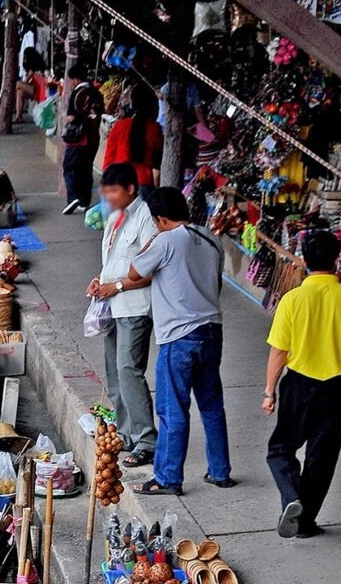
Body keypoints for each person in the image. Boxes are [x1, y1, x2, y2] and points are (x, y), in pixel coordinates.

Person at [263, 229, 341, 539]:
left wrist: (269, 391)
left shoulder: (293, 300)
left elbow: (279, 351)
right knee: (321, 458)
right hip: (334, 388)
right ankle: (305, 524)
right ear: (337, 260)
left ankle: (291, 497)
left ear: (304, 261)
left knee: (280, 449)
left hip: (298, 386)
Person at [127, 187, 232, 497]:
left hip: (179, 336)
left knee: (172, 410)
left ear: (160, 218)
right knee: (212, 405)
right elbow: (214, 283)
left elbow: (134, 273)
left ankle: (168, 478)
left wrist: (150, 242)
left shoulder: (165, 240)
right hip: (212, 330)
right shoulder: (211, 238)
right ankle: (220, 471)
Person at [87, 164, 160, 468]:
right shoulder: (115, 218)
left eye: (113, 191)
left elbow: (148, 268)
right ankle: (127, 431)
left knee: (129, 370)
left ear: (131, 189)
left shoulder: (146, 218)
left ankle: (147, 440)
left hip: (134, 306)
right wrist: (98, 281)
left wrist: (115, 286)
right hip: (111, 306)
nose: (109, 198)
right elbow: (112, 262)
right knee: (115, 374)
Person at [103, 84, 164, 193]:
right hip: (143, 183)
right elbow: (156, 168)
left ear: (132, 103)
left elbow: (108, 160)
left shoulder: (119, 126)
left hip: (118, 182)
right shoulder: (155, 129)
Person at [61, 63, 105, 214]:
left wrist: (68, 119)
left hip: (79, 138)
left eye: (72, 79)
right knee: (86, 169)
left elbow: (72, 117)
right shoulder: (97, 92)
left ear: (76, 78)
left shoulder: (78, 92)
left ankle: (73, 197)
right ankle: (85, 200)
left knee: (69, 167)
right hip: (94, 138)